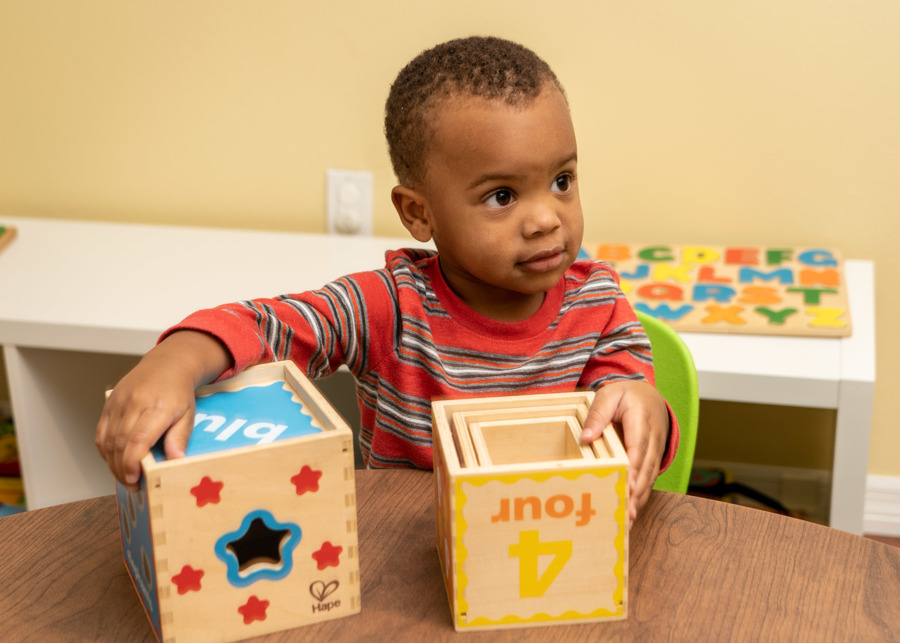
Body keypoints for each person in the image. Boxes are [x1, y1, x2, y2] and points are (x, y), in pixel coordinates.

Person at [96, 36, 678, 520]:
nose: (547, 218)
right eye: (502, 196)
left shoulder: (598, 302)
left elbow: (630, 415)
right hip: (405, 565)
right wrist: (172, 361)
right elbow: (270, 325)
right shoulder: (390, 305)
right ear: (418, 213)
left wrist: (644, 407)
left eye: (562, 181)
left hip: (550, 552)